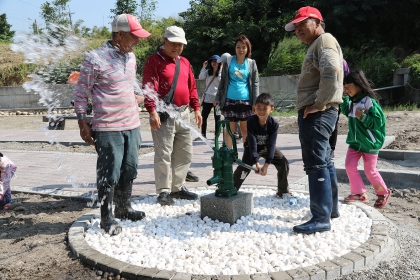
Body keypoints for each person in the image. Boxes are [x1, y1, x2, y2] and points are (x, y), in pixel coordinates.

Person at [73, 14, 151, 235]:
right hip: (108, 127)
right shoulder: (95, 58)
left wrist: (139, 96)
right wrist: (82, 123)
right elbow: (80, 94)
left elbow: (130, 86)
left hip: (132, 124)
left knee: (130, 168)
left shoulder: (131, 58)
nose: (137, 41)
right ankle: (107, 217)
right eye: (134, 37)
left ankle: (124, 208)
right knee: (109, 174)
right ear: (119, 35)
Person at [285, 6, 344, 234]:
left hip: (318, 112)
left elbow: (331, 72)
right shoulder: (319, 43)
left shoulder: (324, 41)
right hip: (323, 110)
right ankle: (330, 210)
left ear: (318, 22)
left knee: (316, 163)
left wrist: (318, 104)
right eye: (296, 26)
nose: (298, 29)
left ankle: (320, 217)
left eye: (302, 23)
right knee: (325, 160)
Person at [142, 26, 202, 206]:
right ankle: (163, 191)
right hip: (164, 114)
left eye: (180, 44)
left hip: (184, 113)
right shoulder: (154, 61)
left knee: (185, 152)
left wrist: (196, 108)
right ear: (164, 41)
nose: (177, 47)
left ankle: (178, 187)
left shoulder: (184, 62)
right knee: (163, 153)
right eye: (173, 43)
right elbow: (149, 88)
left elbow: (191, 86)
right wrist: (152, 111)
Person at [341, 69, 391, 208]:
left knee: (370, 170)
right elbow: (346, 111)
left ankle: (383, 193)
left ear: (358, 84)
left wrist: (362, 117)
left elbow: (378, 122)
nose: (346, 90)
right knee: (349, 166)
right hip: (355, 143)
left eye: (348, 86)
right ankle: (359, 194)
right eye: (344, 87)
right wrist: (344, 99)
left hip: (370, 143)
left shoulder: (370, 102)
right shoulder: (352, 101)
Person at [233, 93, 290, 197]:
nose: (261, 111)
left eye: (265, 108)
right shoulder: (251, 121)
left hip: (267, 147)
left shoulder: (274, 123)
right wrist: (256, 162)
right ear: (254, 108)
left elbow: (272, 144)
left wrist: (266, 164)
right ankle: (232, 188)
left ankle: (283, 190)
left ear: (271, 109)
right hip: (251, 147)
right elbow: (252, 142)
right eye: (259, 108)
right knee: (244, 167)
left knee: (283, 163)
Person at [214, 34, 259, 149]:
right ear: (235, 48)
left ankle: (248, 155)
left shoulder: (251, 63)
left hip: (246, 101)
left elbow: (255, 83)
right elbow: (223, 81)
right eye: (238, 47)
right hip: (229, 100)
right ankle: (229, 154)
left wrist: (255, 102)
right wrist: (217, 97)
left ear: (247, 48)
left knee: (245, 130)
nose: (241, 50)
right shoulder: (229, 61)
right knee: (230, 129)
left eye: (243, 47)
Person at [329, 59, 351, 159]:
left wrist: (346, 92)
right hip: (326, 95)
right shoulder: (323, 59)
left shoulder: (342, 62)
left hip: (338, 96)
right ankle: (327, 149)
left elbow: (348, 78)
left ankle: (331, 149)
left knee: (333, 123)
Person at [198, 54, 222, 139]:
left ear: (219, 63)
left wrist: (221, 68)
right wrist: (204, 67)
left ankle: (217, 135)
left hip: (217, 99)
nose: (214, 63)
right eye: (212, 61)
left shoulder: (221, 73)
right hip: (208, 98)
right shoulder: (208, 72)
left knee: (217, 117)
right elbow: (200, 77)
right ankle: (203, 134)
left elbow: (221, 82)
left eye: (216, 61)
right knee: (204, 116)